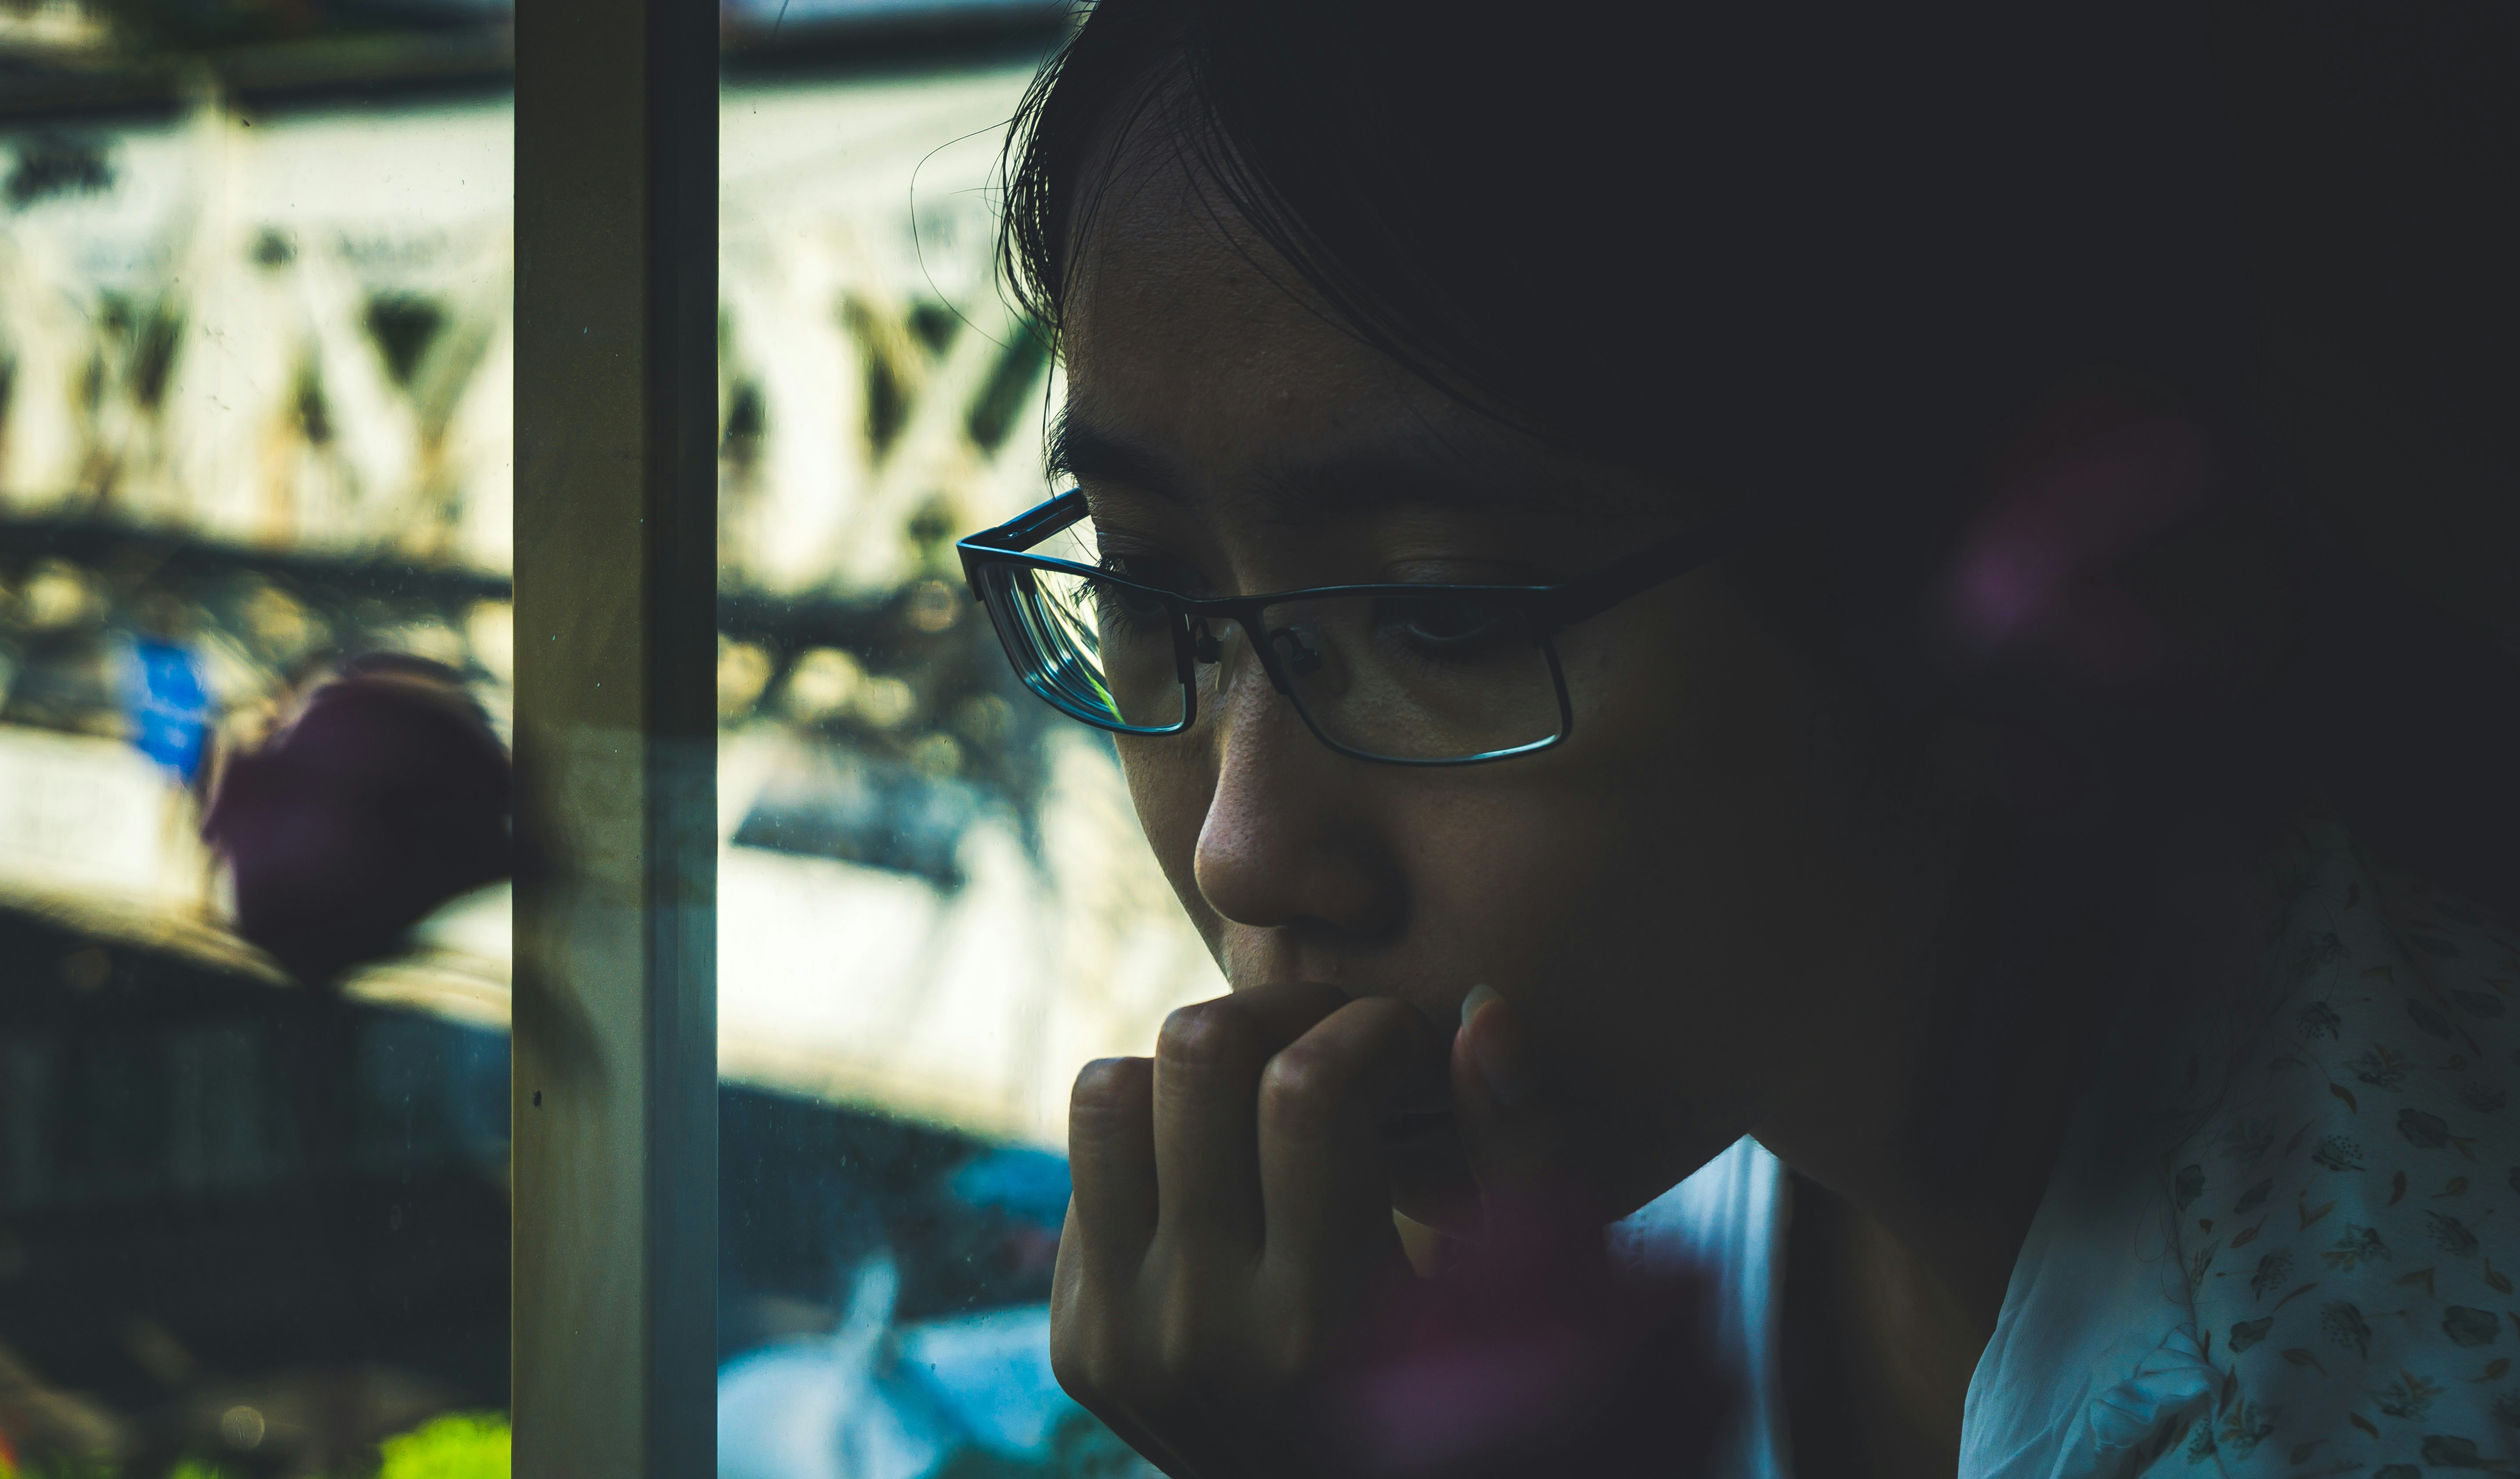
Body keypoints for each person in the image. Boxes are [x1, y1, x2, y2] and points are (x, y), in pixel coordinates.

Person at [952, 1, 2520, 1475]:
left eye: (1442, 619)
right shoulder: (1670, 1122)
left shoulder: (2342, 1400)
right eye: (1145, 589)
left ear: (1949, 571)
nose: (1240, 851)